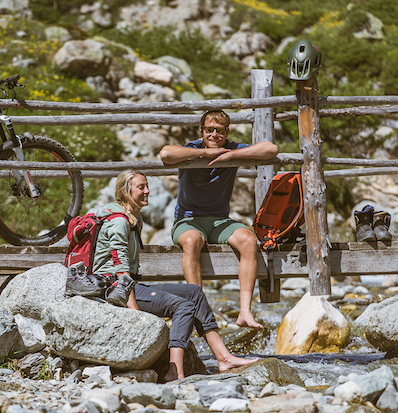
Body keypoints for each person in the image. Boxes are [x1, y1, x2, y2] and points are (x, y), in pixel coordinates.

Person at [91, 169, 257, 380]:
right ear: (125, 192)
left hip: (129, 286)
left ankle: (224, 358)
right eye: (141, 187)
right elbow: (120, 270)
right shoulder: (119, 221)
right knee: (183, 306)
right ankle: (175, 371)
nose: (147, 191)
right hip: (113, 289)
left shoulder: (133, 218)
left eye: (147, 186)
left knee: (194, 292)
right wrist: (135, 314)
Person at [160, 110, 279, 329]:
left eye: (220, 131)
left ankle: (245, 312)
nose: (214, 135)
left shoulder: (232, 149)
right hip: (188, 220)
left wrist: (231, 156)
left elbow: (271, 149)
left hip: (220, 221)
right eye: (209, 130)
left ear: (227, 132)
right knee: (191, 241)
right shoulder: (193, 148)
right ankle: (198, 310)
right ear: (201, 130)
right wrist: (206, 154)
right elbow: (166, 153)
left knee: (249, 240)